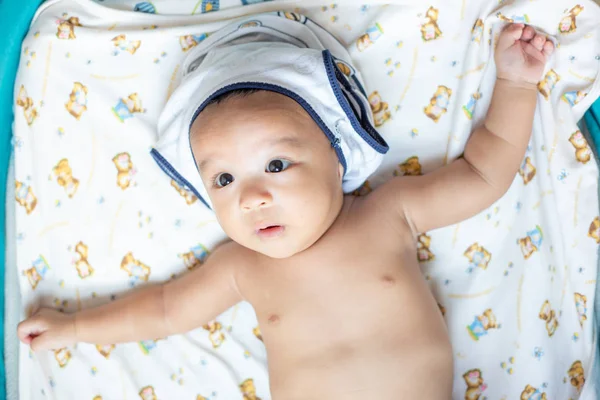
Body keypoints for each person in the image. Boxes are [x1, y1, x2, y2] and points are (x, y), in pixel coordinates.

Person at [18, 12, 554, 400]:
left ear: (337, 157)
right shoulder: (241, 267)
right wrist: (73, 329)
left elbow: (484, 174)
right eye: (224, 180)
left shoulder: (389, 215)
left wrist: (515, 83)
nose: (252, 196)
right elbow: (163, 311)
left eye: (276, 165)